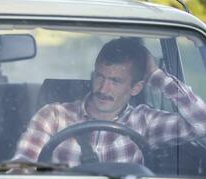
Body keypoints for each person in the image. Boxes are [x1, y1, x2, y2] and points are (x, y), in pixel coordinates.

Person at [13, 37, 206, 167]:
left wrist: (158, 77)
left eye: (115, 81)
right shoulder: (54, 116)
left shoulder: (144, 121)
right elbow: (21, 168)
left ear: (136, 88)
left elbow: (202, 124)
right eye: (99, 77)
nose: (103, 89)